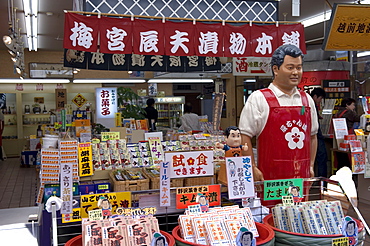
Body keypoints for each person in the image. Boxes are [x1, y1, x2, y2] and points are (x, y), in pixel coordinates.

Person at [239, 44, 318, 190]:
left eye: (299, 67)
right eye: (290, 67)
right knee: (270, 212)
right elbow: (245, 136)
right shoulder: (259, 98)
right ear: (275, 69)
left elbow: (312, 136)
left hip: (301, 176)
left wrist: (311, 166)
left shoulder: (307, 100)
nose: (296, 72)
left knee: (299, 211)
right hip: (270, 177)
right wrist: (252, 167)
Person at [310, 87, 328, 177]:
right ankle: (322, 181)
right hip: (316, 136)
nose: (320, 101)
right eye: (320, 98)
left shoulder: (308, 103)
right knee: (322, 158)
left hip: (313, 137)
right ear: (315, 96)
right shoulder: (311, 104)